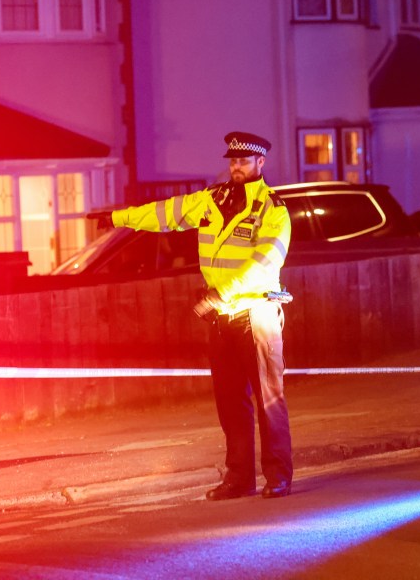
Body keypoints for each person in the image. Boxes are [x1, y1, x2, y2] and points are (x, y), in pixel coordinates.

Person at [111, 131, 293, 500]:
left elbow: (264, 263)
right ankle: (239, 478)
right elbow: (167, 212)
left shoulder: (273, 209)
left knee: (268, 400)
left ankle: (278, 476)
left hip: (255, 312)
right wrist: (119, 217)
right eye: (232, 161)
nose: (236, 167)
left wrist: (219, 293)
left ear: (260, 163)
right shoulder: (212, 199)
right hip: (221, 318)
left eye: (243, 161)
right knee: (229, 403)